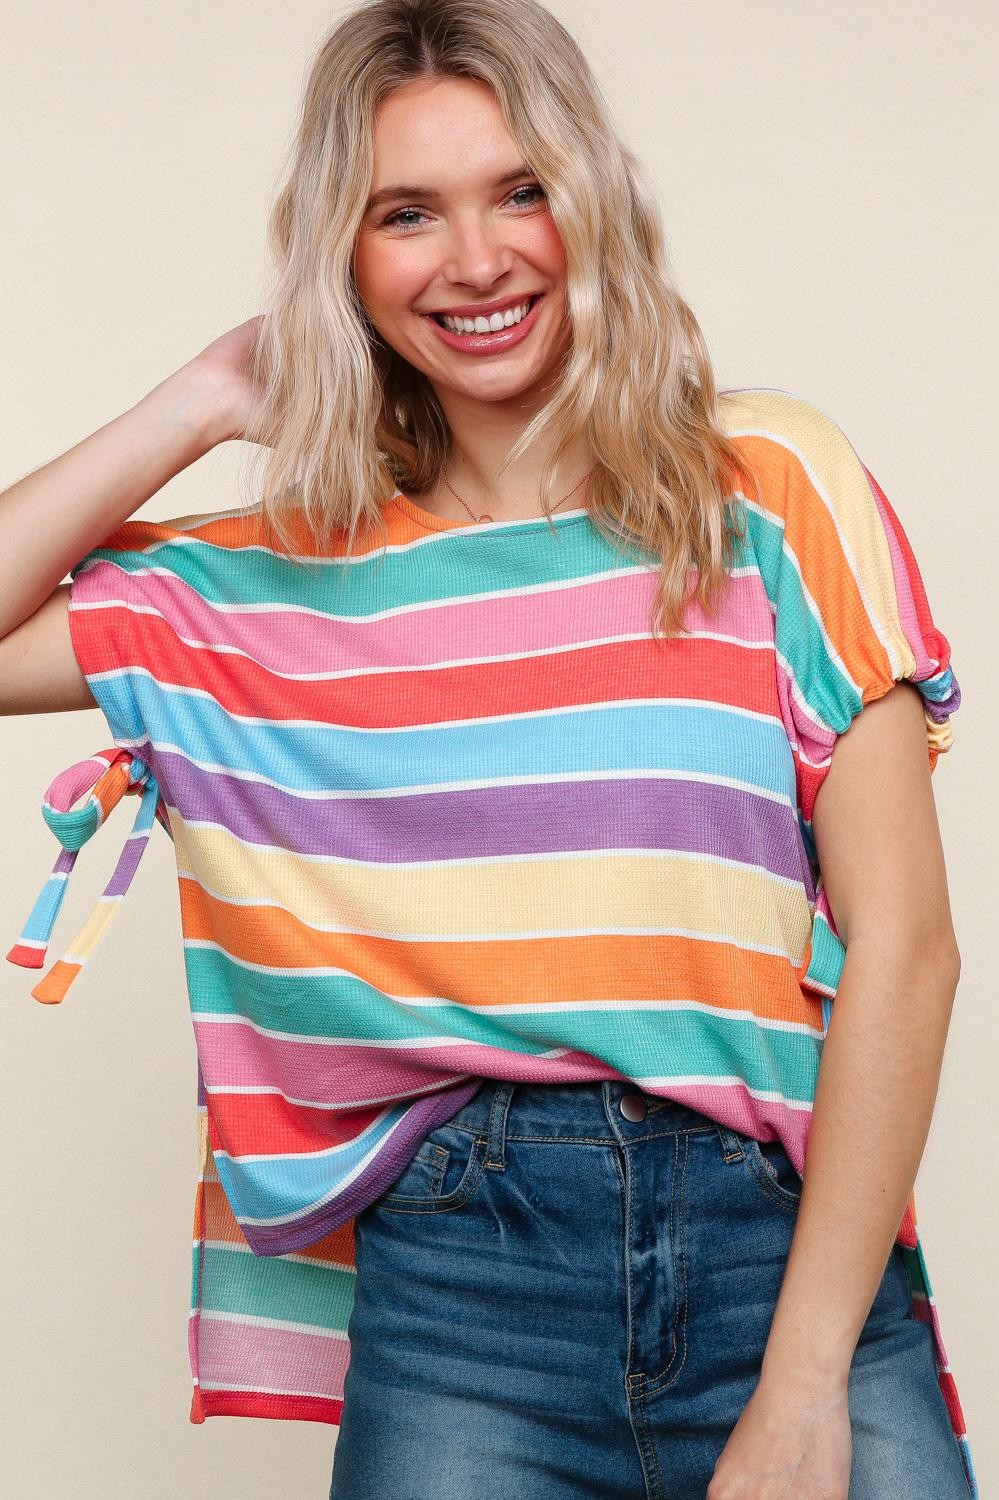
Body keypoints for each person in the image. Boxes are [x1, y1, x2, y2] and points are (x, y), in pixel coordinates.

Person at [0, 1, 978, 1497]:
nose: (475, 259)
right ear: (341, 257)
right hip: (465, 1301)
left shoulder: (768, 488)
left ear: (592, 202)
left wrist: (802, 1388)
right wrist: (199, 399)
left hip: (786, 1259)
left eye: (520, 191)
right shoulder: (272, 578)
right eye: (406, 213)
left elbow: (908, 949)